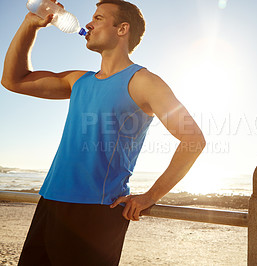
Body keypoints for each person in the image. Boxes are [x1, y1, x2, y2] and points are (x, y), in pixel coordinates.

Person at [1, 0, 206, 265]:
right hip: (49, 202)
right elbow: (12, 80)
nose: (88, 24)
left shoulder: (144, 82)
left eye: (98, 18)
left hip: (96, 214)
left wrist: (150, 196)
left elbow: (193, 139)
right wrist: (30, 25)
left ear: (122, 29)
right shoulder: (78, 80)